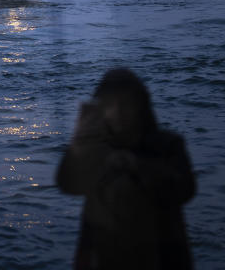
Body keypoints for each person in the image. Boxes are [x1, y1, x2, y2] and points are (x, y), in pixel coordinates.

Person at [57, 68, 195, 270]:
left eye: (126, 104)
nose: (118, 112)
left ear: (140, 106)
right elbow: (67, 184)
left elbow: (185, 189)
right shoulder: (95, 150)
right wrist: (79, 145)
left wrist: (136, 165)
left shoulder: (167, 145)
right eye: (110, 104)